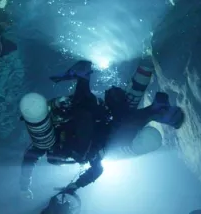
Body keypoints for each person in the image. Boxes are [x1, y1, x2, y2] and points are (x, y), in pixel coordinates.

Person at [18, 58, 184, 200]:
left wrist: (27, 186)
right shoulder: (62, 144)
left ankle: (153, 111)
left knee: (115, 132)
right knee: (111, 119)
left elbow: (30, 158)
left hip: (94, 115)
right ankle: (84, 78)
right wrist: (74, 186)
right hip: (95, 112)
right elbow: (30, 158)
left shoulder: (60, 147)